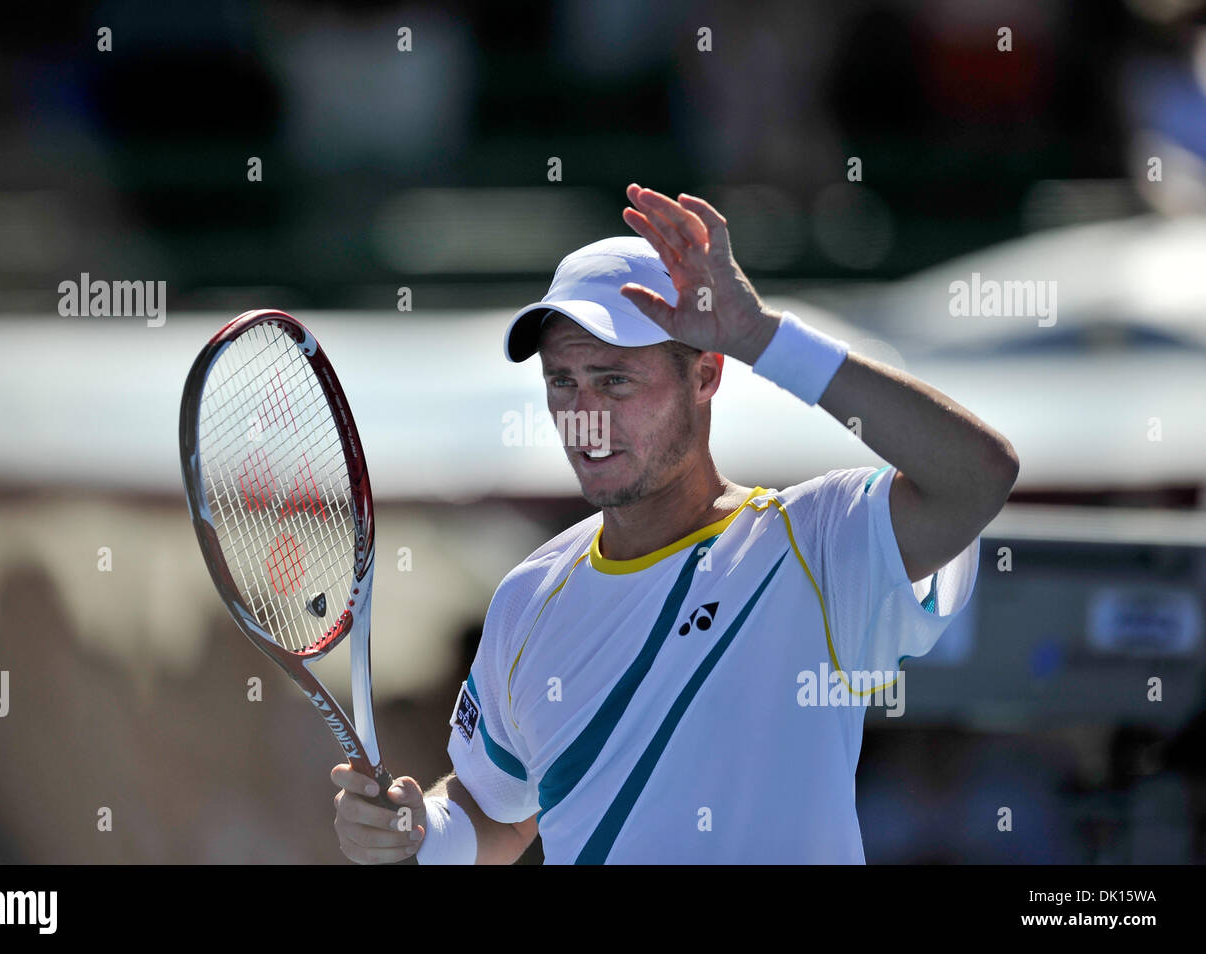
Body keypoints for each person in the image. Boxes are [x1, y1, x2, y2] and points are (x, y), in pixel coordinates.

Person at [332, 183, 1018, 864]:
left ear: (707, 375)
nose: (584, 416)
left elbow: (978, 474)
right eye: (562, 382)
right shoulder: (526, 598)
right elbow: (496, 813)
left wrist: (765, 338)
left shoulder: (817, 539)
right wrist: (418, 831)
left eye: (615, 380)